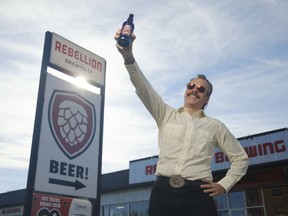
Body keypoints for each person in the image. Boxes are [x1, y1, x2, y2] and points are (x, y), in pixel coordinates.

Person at [114, 29, 249, 216]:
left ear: (206, 98)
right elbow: (143, 87)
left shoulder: (215, 126)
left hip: (198, 195)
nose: (194, 90)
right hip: (163, 194)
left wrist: (223, 185)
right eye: (191, 86)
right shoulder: (165, 114)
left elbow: (240, 158)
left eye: (201, 89)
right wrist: (128, 56)